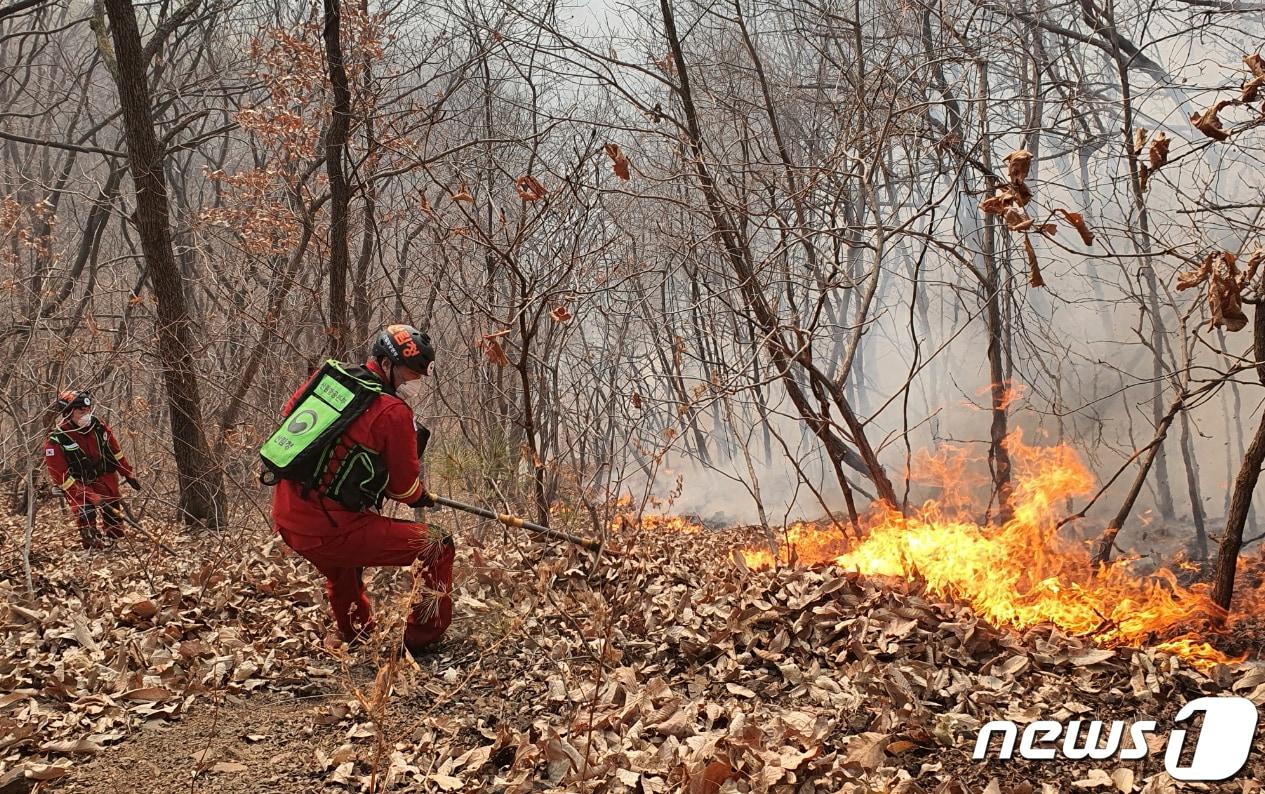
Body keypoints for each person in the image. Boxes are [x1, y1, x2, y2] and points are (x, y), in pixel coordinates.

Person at [267, 324, 453, 656]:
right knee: (438, 544)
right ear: (386, 365)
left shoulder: (330, 379)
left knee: (344, 571)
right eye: (408, 376)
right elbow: (405, 489)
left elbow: (290, 418)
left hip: (286, 515)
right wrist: (420, 494)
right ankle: (422, 640)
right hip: (330, 529)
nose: (411, 385)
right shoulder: (393, 412)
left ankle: (358, 635)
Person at [44, 390, 141, 549]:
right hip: (77, 483)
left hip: (103, 476)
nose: (86, 413)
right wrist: (88, 494)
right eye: (81, 410)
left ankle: (114, 541)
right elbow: (60, 476)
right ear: (68, 412)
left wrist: (127, 472)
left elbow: (115, 451)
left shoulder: (98, 426)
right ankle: (92, 546)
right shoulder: (56, 439)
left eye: (88, 409)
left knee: (112, 507)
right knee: (85, 511)